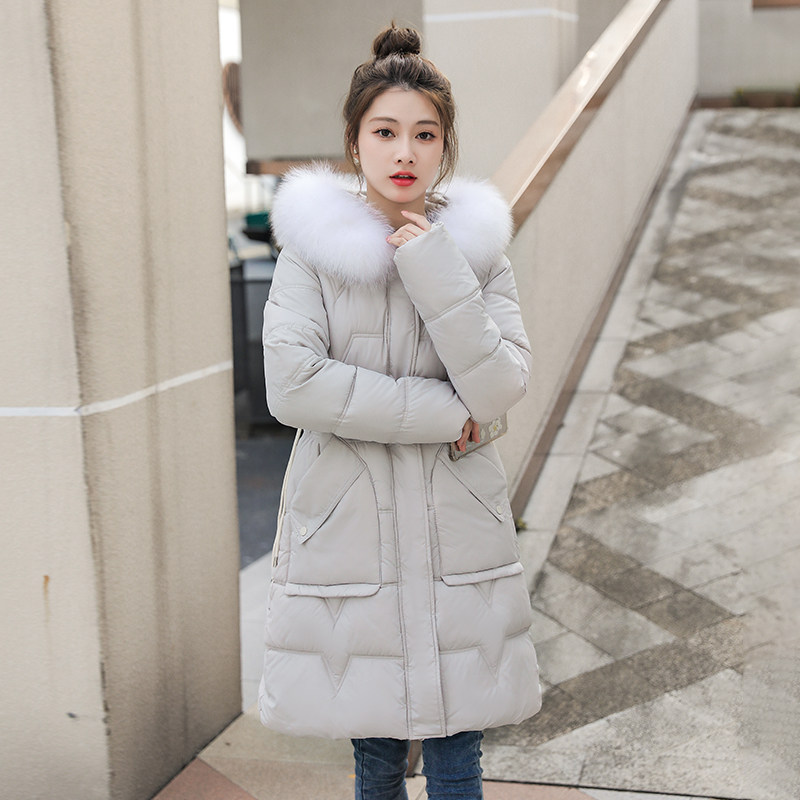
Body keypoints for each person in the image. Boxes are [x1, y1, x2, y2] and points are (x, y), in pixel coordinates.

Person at [259, 22, 541, 800]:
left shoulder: (477, 253)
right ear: (355, 143)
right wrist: (445, 414)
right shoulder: (313, 252)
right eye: (385, 131)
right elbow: (293, 385)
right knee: (377, 756)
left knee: (458, 752)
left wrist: (434, 268)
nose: (404, 152)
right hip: (350, 528)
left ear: (445, 146)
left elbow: (502, 386)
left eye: (424, 133)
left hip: (458, 526)